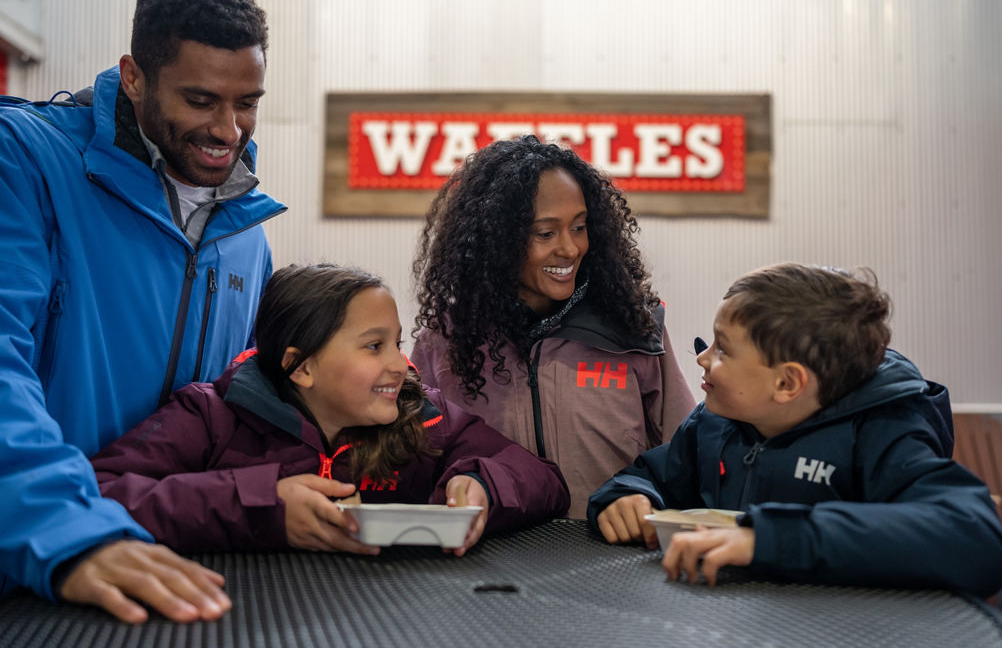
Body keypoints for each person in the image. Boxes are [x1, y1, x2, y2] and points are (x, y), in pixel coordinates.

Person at [0, 0, 283, 623]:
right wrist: (64, 528)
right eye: (201, 100)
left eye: (248, 103)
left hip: (159, 573)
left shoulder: (246, 232)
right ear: (134, 77)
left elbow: (240, 406)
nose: (227, 129)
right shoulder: (23, 161)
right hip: (38, 562)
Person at [90, 263, 570, 557]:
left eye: (396, 344)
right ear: (300, 367)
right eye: (373, 346)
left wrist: (484, 486)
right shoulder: (211, 416)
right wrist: (261, 508)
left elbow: (544, 481)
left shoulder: (425, 417)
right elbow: (96, 496)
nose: (400, 366)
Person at [588, 263, 1002, 597]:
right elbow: (656, 475)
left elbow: (974, 537)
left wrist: (769, 541)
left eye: (723, 348)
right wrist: (628, 494)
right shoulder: (716, 421)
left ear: (787, 384)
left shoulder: (884, 432)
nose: (703, 359)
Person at [410, 135, 695, 519]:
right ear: (497, 241)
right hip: (485, 564)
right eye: (546, 233)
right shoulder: (445, 340)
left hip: (612, 564)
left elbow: (686, 456)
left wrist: (644, 496)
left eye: (579, 227)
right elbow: (416, 467)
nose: (570, 248)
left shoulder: (634, 326)